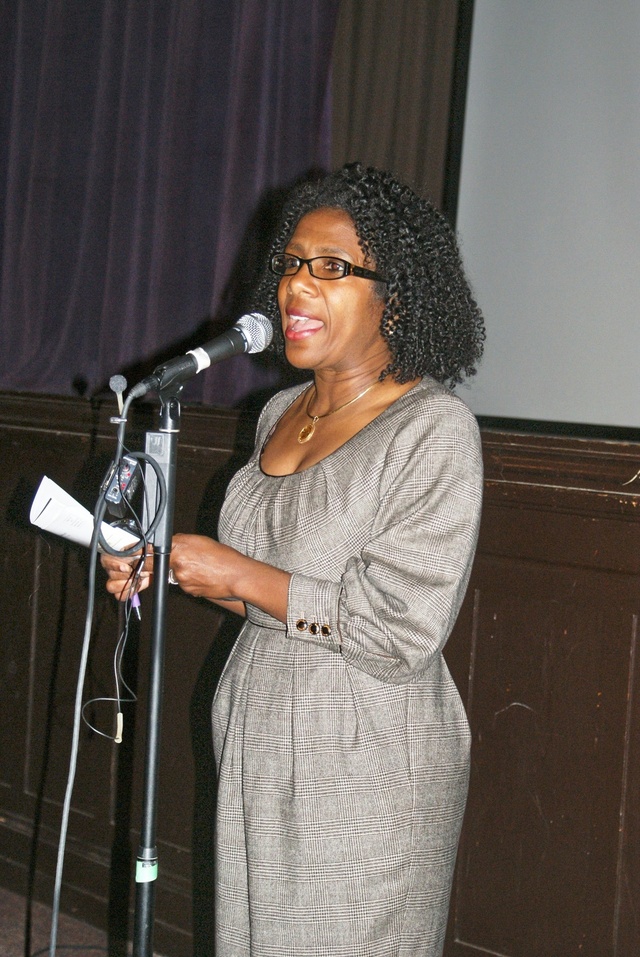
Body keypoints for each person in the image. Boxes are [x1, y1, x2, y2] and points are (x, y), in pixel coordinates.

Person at [102, 163, 485, 956]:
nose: (296, 287)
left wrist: (235, 571)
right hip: (258, 743)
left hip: (364, 760)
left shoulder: (433, 430)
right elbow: (280, 594)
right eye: (289, 264)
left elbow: (396, 628)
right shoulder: (280, 411)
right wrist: (174, 568)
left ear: (397, 297)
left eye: (332, 268)